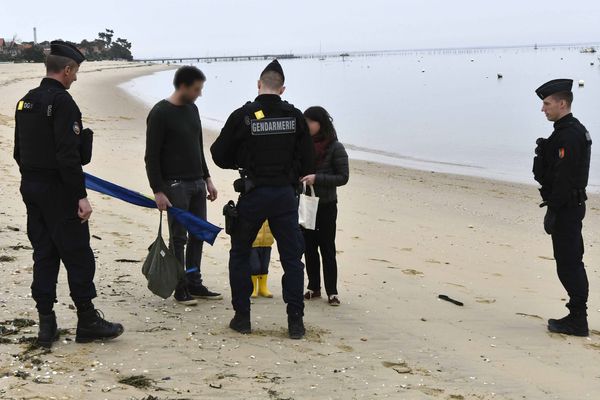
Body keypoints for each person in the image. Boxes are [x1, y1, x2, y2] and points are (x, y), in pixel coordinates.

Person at [13, 41, 124, 348]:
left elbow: (18, 152)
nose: (75, 78)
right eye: (75, 72)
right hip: (59, 191)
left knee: (44, 255)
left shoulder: (26, 101)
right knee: (77, 255)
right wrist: (80, 196)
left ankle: (46, 324)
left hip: (32, 188)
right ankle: (87, 320)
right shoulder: (63, 103)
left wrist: (34, 182)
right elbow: (68, 156)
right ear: (67, 69)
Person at [211, 60, 315, 339]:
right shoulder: (295, 117)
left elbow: (219, 154)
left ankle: (242, 317)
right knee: (293, 259)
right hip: (284, 196)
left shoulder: (243, 116)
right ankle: (295, 322)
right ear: (282, 88)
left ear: (259, 85)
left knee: (240, 254)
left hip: (253, 193)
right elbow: (309, 161)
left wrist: (241, 163)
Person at [145, 66, 221, 306]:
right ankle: (180, 287)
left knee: (198, 233)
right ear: (184, 86)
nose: (200, 94)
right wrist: (158, 190)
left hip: (198, 181)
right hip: (174, 185)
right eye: (197, 89)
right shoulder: (160, 113)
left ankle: (194, 281)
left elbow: (198, 147)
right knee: (178, 238)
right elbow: (151, 157)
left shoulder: (193, 109)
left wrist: (208, 178)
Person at [532, 79, 592, 337]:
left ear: (562, 103)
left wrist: (554, 209)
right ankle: (576, 315)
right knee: (568, 261)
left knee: (569, 263)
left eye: (547, 104)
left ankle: (578, 319)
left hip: (567, 207)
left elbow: (564, 178)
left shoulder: (569, 134)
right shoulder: (567, 130)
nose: (543, 109)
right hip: (569, 205)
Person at [300, 107, 349, 306]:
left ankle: (332, 291)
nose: (308, 125)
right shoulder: (302, 145)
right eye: (306, 121)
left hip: (327, 205)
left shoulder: (336, 147)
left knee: (327, 247)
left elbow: (343, 177)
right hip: (306, 202)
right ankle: (313, 287)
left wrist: (317, 178)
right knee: (309, 247)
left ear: (321, 123)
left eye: (311, 122)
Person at [251, 220, 274, 299]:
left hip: (267, 241)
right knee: (255, 267)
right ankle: (252, 287)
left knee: (264, 267)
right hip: (253, 242)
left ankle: (263, 287)